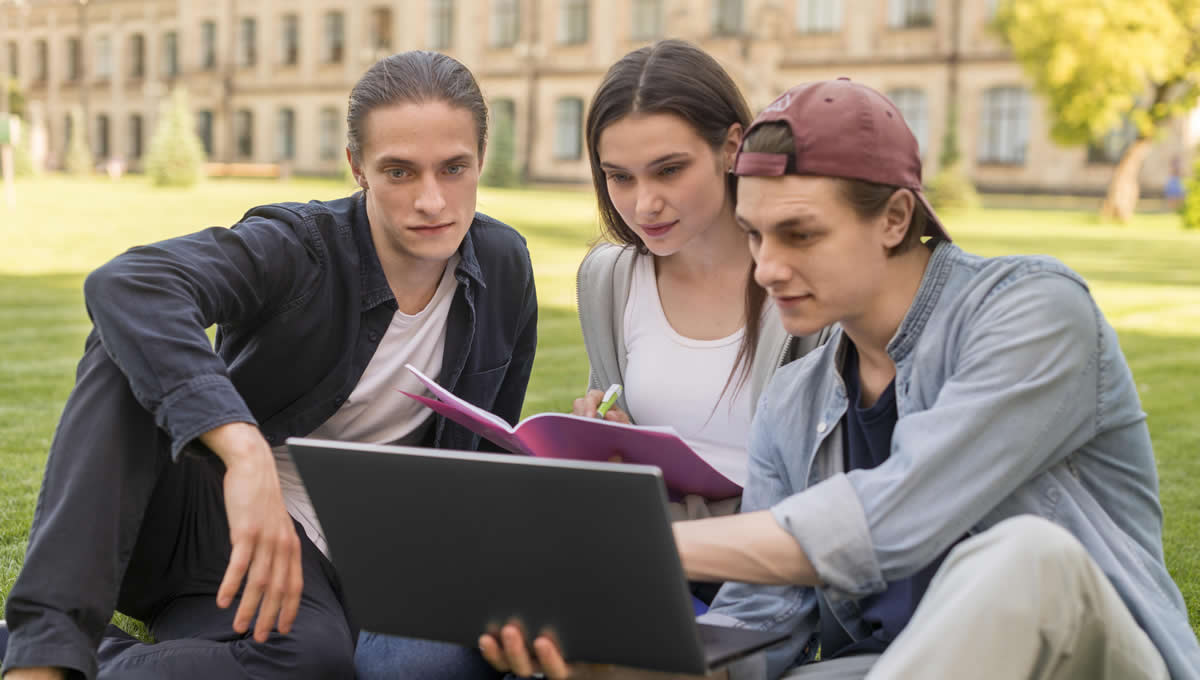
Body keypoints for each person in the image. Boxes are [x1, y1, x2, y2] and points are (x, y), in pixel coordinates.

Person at [479, 79, 1200, 680]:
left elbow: (890, 522)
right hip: (890, 667)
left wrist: (624, 543)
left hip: (1087, 659)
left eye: (801, 234)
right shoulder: (795, 403)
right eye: (756, 235)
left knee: (1027, 557)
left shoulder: (1031, 311)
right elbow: (758, 629)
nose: (767, 268)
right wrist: (611, 663)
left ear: (894, 217)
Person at [1, 51, 537, 680]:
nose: (431, 199)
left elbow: (487, 447)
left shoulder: (503, 266)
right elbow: (131, 282)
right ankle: (41, 656)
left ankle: (75, 657)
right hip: (204, 513)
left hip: (337, 554)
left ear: (479, 160)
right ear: (357, 169)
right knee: (126, 346)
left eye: (454, 168)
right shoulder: (300, 247)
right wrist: (244, 452)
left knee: (313, 661)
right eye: (399, 171)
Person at [573, 39, 828, 530]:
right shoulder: (612, 280)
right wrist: (601, 438)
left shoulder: (805, 280)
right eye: (620, 177)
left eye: (669, 170)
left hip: (774, 576)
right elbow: (619, 468)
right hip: (648, 556)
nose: (645, 204)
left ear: (732, 147)